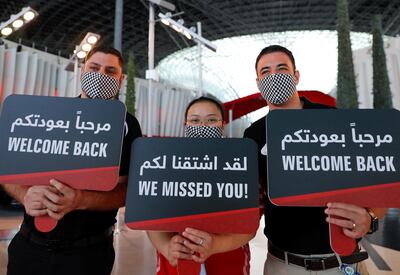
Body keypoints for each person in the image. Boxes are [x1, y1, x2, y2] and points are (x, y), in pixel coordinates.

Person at [243, 45, 386, 275]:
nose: (274, 76)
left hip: (340, 262)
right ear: (258, 83)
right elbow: (251, 199)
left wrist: (370, 219)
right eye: (265, 72)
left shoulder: (331, 119)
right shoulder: (254, 135)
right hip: (283, 264)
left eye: (281, 69)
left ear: (296, 76)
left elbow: (377, 178)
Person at [3, 45, 142, 275]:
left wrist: (80, 199)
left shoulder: (127, 126)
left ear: (121, 79)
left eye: (110, 71)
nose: (100, 76)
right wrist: (24, 194)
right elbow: (8, 169)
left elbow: (127, 190)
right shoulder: (50, 114)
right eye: (94, 68)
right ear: (82, 70)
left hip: (87, 255)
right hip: (29, 247)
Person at [147, 96, 255, 275]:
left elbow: (250, 225)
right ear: (185, 125)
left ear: (223, 124)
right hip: (176, 265)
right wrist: (166, 247)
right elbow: (150, 219)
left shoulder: (240, 166)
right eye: (195, 120)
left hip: (228, 264)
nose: (203, 126)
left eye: (211, 120)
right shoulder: (166, 164)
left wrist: (215, 245)